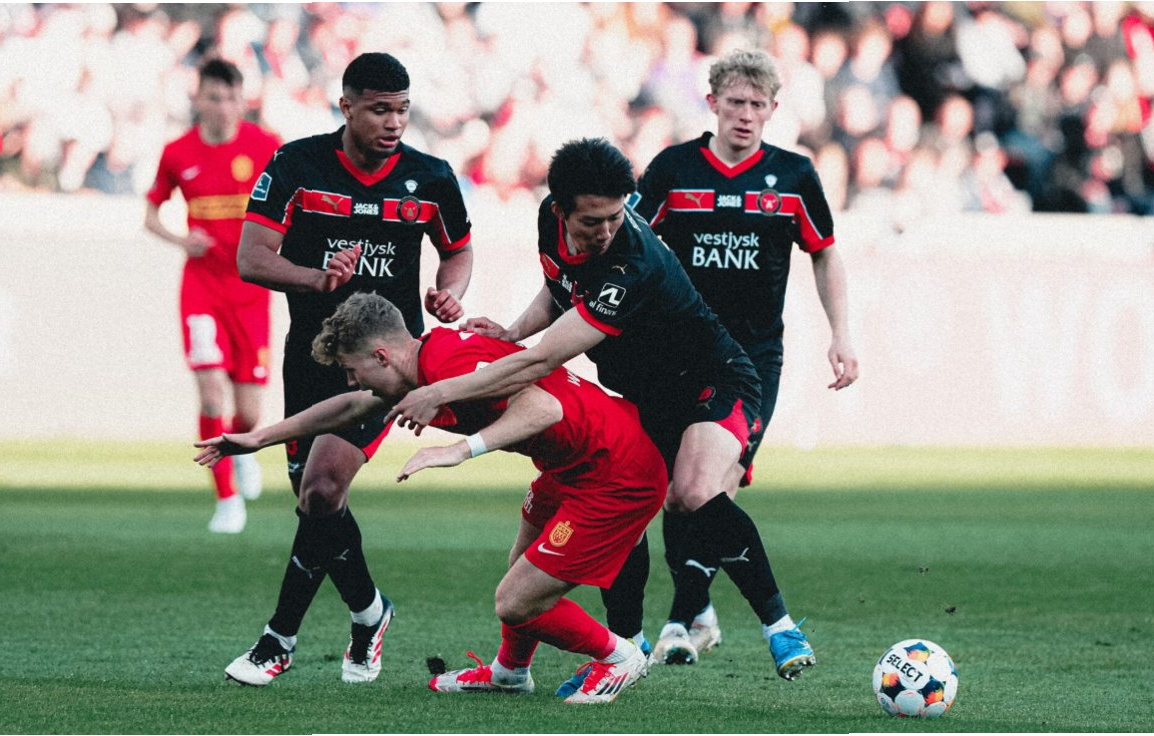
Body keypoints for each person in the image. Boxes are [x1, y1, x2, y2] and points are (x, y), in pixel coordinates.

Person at [387, 137, 819, 684]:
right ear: (560, 210)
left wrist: (440, 393)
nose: (607, 230)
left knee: (691, 492)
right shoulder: (549, 222)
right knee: (627, 505)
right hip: (645, 395)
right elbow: (558, 289)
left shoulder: (630, 262)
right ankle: (630, 644)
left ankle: (780, 626)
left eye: (616, 216)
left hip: (713, 380)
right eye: (593, 221)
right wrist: (513, 331)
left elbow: (542, 360)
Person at [195, 292, 661, 703]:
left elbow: (544, 406)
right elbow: (352, 407)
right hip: (572, 465)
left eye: (352, 370)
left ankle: (619, 656)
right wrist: (258, 439)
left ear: (381, 356)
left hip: (616, 472)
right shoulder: (424, 367)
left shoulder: (446, 364)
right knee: (520, 570)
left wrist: (457, 451)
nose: (353, 381)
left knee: (516, 602)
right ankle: (509, 673)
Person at [223, 52, 474, 686]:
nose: (394, 123)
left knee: (321, 490)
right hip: (312, 356)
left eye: (402, 110)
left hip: (386, 367)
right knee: (318, 506)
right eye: (380, 110)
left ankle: (277, 640)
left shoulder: (430, 178)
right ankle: (369, 612)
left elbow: (458, 251)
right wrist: (318, 278)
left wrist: (449, 292)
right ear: (347, 107)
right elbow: (252, 258)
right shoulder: (297, 165)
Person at [632, 49, 858, 667]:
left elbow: (824, 252)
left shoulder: (793, 176)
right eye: (735, 101)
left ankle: (685, 621)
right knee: (680, 496)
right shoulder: (674, 169)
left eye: (758, 104)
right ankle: (699, 614)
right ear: (712, 103)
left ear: (773, 109)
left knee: (707, 487)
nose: (746, 114)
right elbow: (629, 246)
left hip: (752, 363)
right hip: (678, 358)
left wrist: (841, 333)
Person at [144, 58, 281, 534]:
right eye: (214, 97)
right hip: (201, 289)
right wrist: (182, 240)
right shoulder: (177, 152)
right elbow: (150, 214)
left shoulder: (266, 146)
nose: (223, 107)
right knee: (210, 394)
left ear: (243, 101)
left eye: (231, 98)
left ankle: (241, 450)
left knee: (250, 411)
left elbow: (293, 204)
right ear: (198, 99)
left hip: (251, 290)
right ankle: (226, 500)